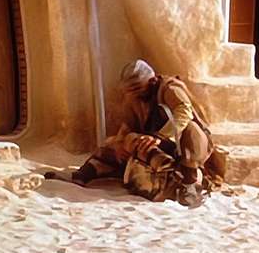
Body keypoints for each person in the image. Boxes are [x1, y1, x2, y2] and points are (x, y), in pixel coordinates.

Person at [65, 60, 222, 206]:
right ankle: (84, 175)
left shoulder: (169, 89)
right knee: (122, 141)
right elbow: (127, 127)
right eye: (131, 90)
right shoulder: (133, 99)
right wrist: (120, 144)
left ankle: (189, 183)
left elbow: (184, 111)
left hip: (180, 145)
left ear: (152, 81)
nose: (135, 94)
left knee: (191, 129)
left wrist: (160, 137)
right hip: (152, 147)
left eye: (137, 89)